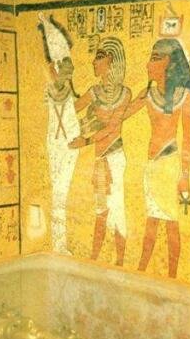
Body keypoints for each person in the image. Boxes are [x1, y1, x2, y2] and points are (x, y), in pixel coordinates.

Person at [122, 38, 190, 278]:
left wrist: (184, 176)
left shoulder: (183, 96)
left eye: (155, 58)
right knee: (151, 221)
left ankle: (172, 277)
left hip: (170, 164)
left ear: (169, 63)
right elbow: (121, 115)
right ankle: (142, 271)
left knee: (171, 223)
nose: (148, 64)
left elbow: (188, 139)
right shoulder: (148, 94)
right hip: (151, 166)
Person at [70, 37, 132, 266]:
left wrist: (85, 140)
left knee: (116, 210)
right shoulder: (94, 91)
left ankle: (120, 262)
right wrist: (60, 83)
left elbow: (113, 128)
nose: (93, 62)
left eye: (98, 57)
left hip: (114, 157)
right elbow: (72, 109)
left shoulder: (124, 93)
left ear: (110, 60)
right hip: (99, 159)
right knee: (100, 210)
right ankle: (94, 259)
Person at [38, 14, 80, 255]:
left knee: (63, 192)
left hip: (69, 142)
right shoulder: (54, 88)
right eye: (65, 62)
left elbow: (74, 106)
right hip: (59, 143)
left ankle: (60, 243)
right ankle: (58, 244)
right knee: (59, 193)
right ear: (56, 67)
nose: (70, 67)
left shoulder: (65, 88)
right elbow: (59, 95)